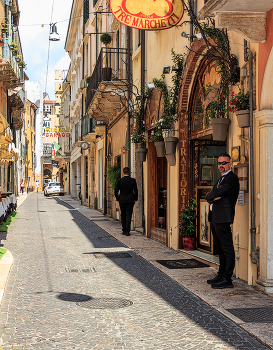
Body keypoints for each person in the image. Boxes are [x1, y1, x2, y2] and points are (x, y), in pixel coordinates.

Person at [205, 153, 240, 289]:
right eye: (219, 163)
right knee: (219, 248)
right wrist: (212, 196)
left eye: (224, 163)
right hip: (215, 217)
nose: (221, 165)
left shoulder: (231, 179)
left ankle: (227, 278)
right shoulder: (220, 179)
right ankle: (220, 274)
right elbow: (211, 195)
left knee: (227, 248)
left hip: (223, 217)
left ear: (229, 164)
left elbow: (217, 193)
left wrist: (214, 195)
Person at [115, 167, 138, 236]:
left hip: (122, 199)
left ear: (123, 173)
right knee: (129, 214)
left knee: (123, 214)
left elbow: (116, 191)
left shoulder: (120, 180)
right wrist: (135, 198)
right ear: (129, 172)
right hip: (130, 199)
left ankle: (124, 230)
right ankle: (128, 231)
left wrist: (117, 198)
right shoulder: (133, 180)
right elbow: (136, 190)